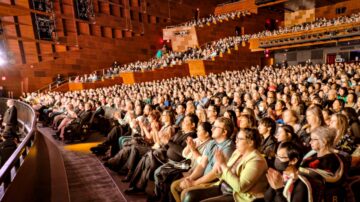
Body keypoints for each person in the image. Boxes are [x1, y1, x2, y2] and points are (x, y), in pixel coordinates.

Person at [184, 128, 268, 202]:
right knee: (190, 195)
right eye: (236, 138)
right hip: (222, 186)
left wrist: (223, 165)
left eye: (239, 139)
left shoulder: (257, 160)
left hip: (237, 195)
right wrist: (219, 168)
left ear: (250, 142)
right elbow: (224, 173)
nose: (236, 141)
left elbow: (240, 187)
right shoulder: (237, 152)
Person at [172, 117, 235, 202]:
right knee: (174, 186)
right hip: (203, 177)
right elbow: (202, 165)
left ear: (224, 132)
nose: (212, 129)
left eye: (215, 127)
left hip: (214, 182)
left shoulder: (228, 148)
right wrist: (190, 178)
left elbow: (215, 174)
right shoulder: (212, 143)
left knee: (185, 193)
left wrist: (194, 183)